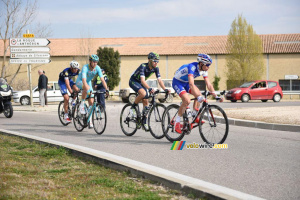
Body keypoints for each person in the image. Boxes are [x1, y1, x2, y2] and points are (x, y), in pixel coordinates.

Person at [172, 53, 224, 134]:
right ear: (201, 63)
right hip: (178, 82)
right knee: (187, 100)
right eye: (207, 65)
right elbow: (191, 84)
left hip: (186, 83)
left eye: (209, 65)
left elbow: (209, 84)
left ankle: (194, 115)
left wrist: (216, 96)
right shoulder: (192, 67)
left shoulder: (204, 70)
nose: (208, 67)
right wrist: (198, 96)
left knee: (199, 94)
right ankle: (177, 122)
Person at [129, 52, 170, 130]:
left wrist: (165, 89)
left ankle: (143, 122)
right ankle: (133, 107)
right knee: (144, 93)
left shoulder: (156, 68)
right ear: (149, 60)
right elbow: (142, 81)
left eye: (157, 61)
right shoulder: (143, 66)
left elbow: (160, 80)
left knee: (146, 101)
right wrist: (149, 88)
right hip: (133, 81)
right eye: (154, 60)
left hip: (141, 83)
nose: (156, 62)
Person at [76, 54, 109, 128]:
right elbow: (84, 81)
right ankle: (82, 104)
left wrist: (106, 89)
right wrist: (87, 89)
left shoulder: (97, 68)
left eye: (96, 62)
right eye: (93, 62)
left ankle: (89, 120)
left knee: (91, 102)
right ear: (90, 61)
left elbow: (102, 80)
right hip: (80, 81)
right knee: (86, 88)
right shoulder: (85, 67)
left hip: (88, 82)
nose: (95, 63)